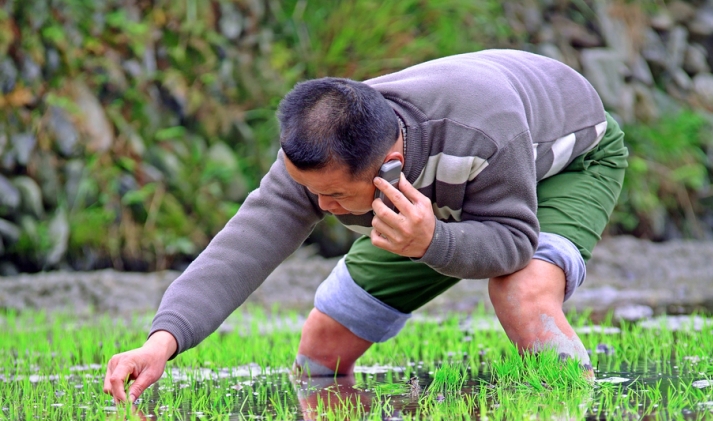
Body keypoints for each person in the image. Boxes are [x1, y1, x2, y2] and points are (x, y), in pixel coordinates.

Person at [104, 49, 628, 402]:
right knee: (322, 346)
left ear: (390, 164)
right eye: (311, 191)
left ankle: (568, 403)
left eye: (333, 195)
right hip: (435, 201)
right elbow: (238, 251)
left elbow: (512, 242)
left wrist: (433, 240)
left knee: (523, 291)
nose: (321, 206)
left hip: (562, 162)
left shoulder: (481, 128)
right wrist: (161, 342)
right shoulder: (318, 159)